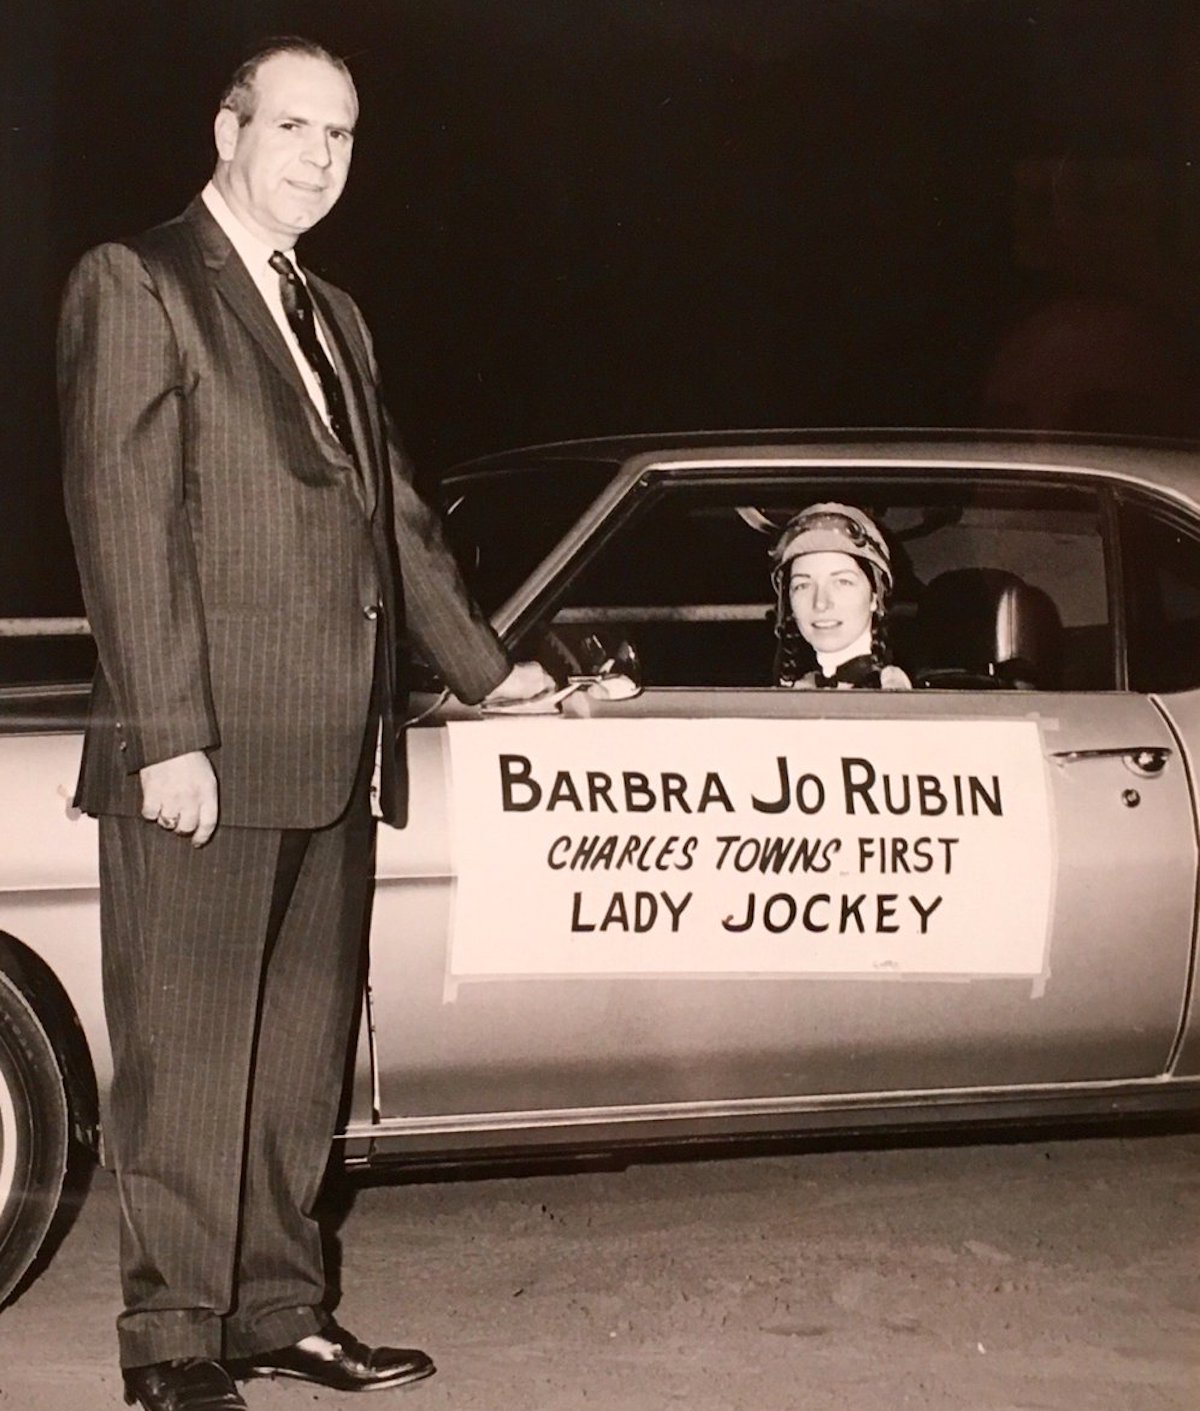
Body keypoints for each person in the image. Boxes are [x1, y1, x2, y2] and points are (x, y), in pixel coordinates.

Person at [58, 37, 553, 1411]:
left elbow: (391, 515)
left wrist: (489, 668)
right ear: (227, 130)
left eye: (341, 135)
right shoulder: (140, 281)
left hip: (335, 748)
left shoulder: (333, 311)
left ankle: (281, 1307)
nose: (320, 158)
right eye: (294, 127)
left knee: (296, 1053)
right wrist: (167, 733)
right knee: (187, 1052)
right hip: (202, 752)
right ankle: (171, 1340)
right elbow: (122, 521)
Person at [770, 502, 911, 689]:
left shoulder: (897, 695)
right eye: (803, 585)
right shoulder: (790, 693)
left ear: (875, 596)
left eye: (842, 582)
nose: (821, 603)